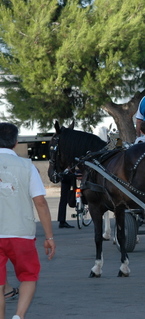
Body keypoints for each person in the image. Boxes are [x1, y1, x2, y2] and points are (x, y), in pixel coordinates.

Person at [0, 122, 56, 319]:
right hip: (21, 232)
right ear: (16, 142)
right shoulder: (27, 167)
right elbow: (40, 202)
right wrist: (49, 236)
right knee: (28, 276)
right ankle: (19, 316)